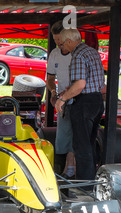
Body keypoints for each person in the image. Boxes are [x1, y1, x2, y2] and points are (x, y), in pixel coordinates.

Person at [54, 28, 105, 183]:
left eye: (62, 44)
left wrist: (62, 99)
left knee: (81, 145)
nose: (62, 48)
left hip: (84, 103)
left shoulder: (78, 55)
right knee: (89, 142)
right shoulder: (92, 52)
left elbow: (81, 84)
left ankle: (84, 184)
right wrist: (70, 90)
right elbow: (92, 81)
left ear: (69, 41)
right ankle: (92, 179)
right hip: (96, 100)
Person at [46, 21, 75, 179]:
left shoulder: (76, 53)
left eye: (59, 39)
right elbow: (50, 78)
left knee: (76, 135)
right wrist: (53, 92)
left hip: (79, 99)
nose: (58, 43)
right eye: (55, 39)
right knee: (62, 135)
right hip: (62, 101)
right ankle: (61, 171)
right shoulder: (54, 54)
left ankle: (71, 168)